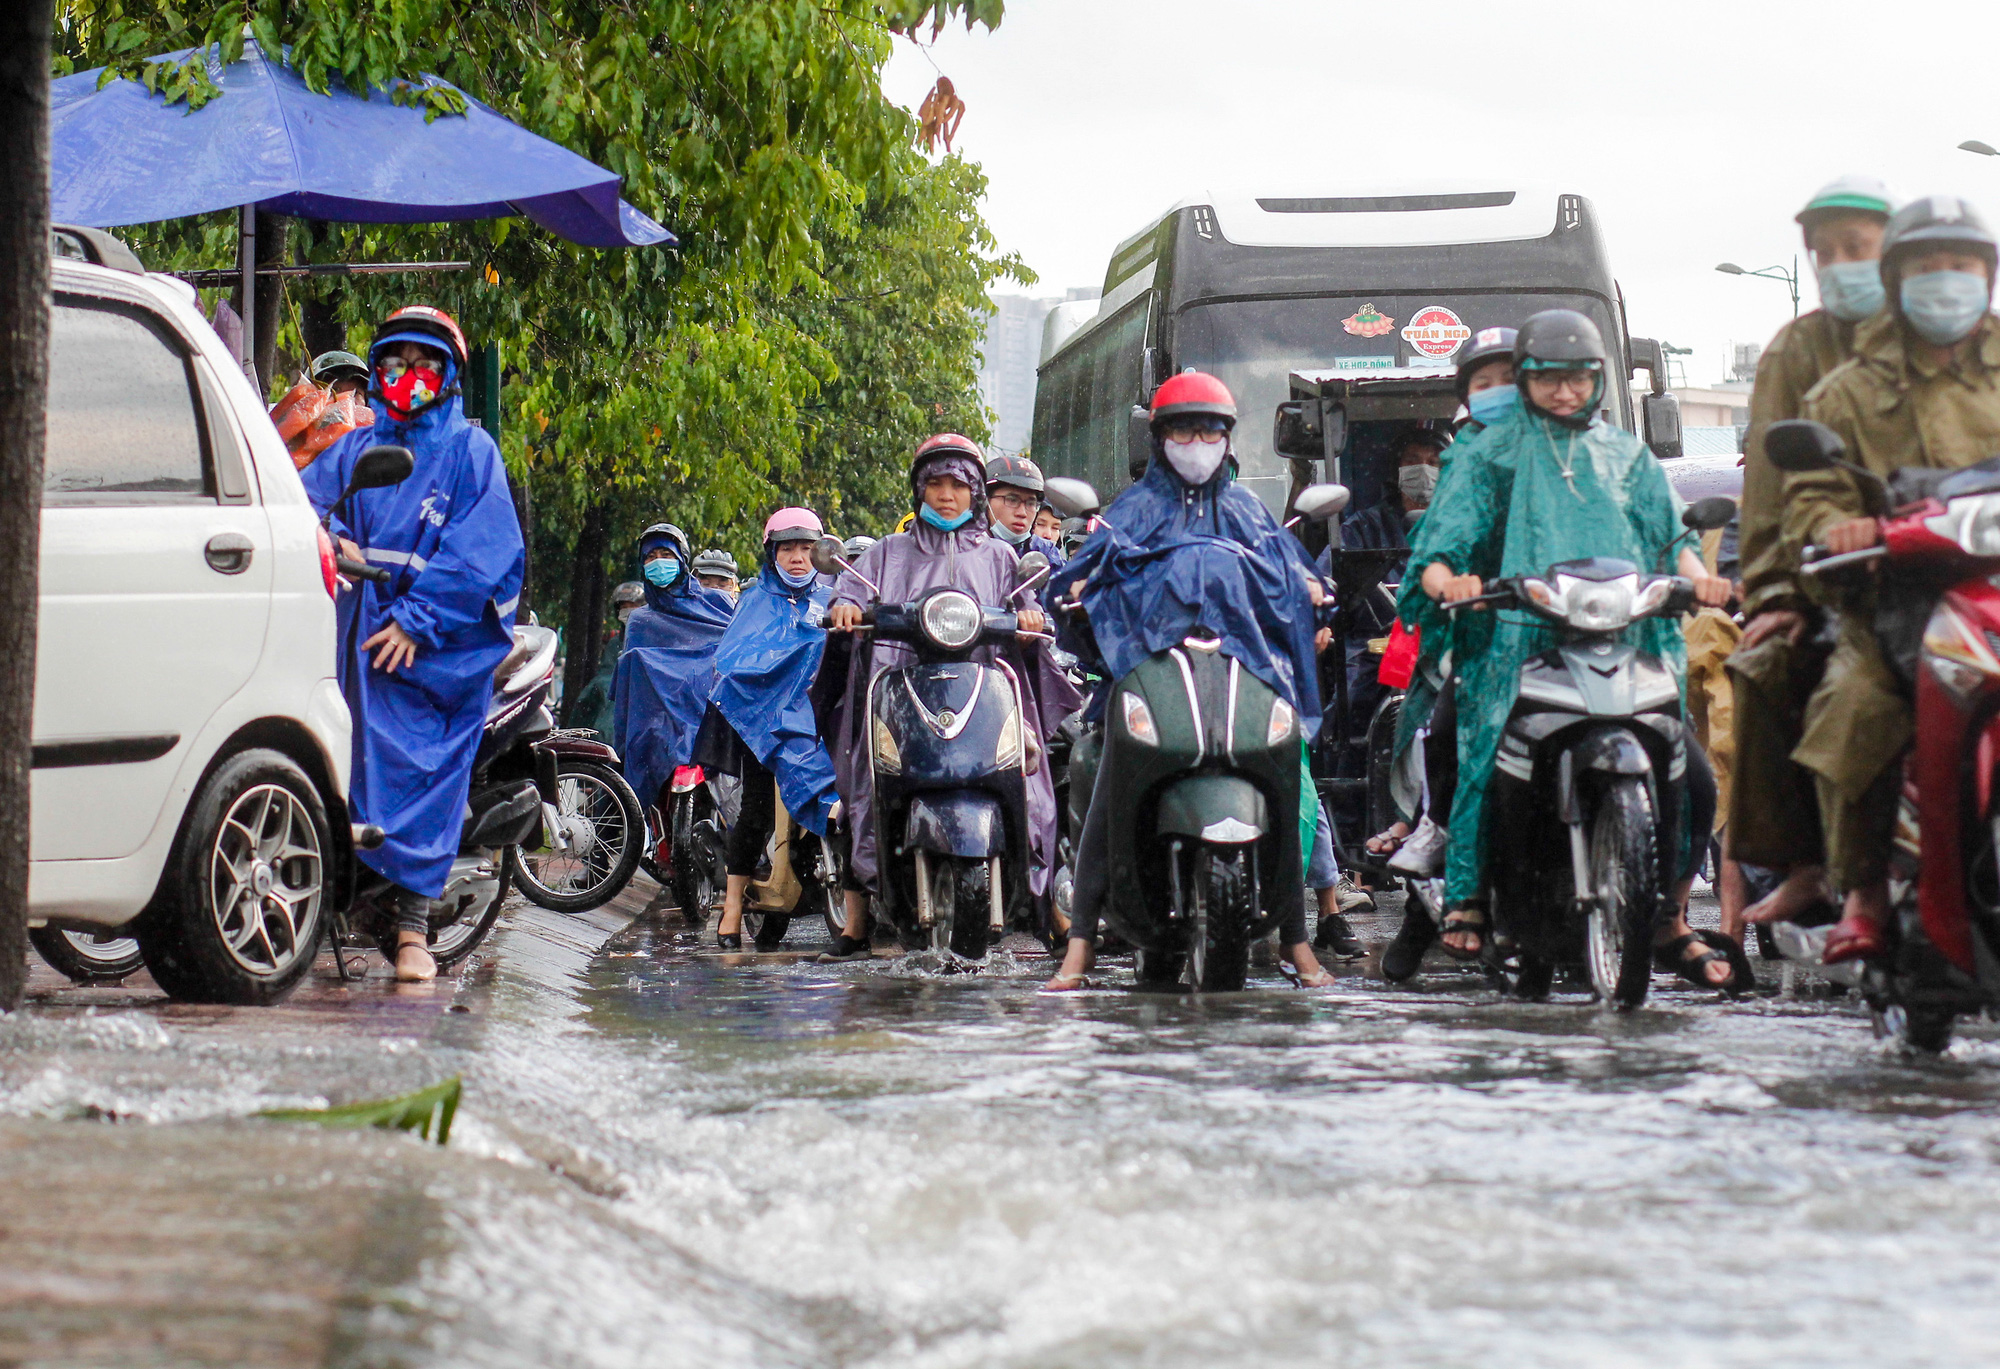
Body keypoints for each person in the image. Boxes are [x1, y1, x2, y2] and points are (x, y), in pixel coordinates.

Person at [1406, 310, 1735, 986]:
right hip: (1515, 643)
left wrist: (1701, 580)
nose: (1563, 393)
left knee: (1694, 775)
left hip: (1625, 634)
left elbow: (1671, 535)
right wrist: (1451, 580)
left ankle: (1668, 916)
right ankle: (1473, 892)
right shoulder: (1490, 451)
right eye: (1549, 379)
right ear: (1529, 380)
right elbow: (1441, 550)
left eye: (1577, 379)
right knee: (1481, 756)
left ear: (1599, 380)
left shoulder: (1627, 454)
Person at [1042, 372, 1338, 990]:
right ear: (1160, 438)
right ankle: (1081, 942)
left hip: (1242, 669)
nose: (1196, 442)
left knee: (1287, 774)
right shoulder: (1134, 510)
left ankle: (1298, 937)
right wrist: (1074, 592)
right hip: (1152, 671)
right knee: (1107, 776)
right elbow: (1078, 574)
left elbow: (1296, 572)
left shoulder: (1247, 512)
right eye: (1184, 429)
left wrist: (1314, 593)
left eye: (1209, 430)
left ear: (1227, 440)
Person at [1778, 194, 2000, 964]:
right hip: (1895, 605)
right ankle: (1865, 890)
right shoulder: (1843, 391)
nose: (1947, 283)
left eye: (1962, 266)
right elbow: (1808, 494)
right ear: (1898, 279)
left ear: (1988, 275)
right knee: (1852, 706)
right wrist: (1837, 526)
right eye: (1928, 267)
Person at [302, 305, 525, 982]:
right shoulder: (354, 445)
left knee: (429, 776)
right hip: (357, 638)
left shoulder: (471, 452)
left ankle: (412, 929)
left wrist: (417, 620)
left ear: (450, 375)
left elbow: (484, 551)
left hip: (435, 653)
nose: (409, 376)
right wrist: (325, 534)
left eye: (425, 365)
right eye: (396, 363)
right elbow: (303, 499)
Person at [818, 435, 1082, 961]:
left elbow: (1027, 604)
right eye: (934, 484)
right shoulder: (885, 553)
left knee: (1036, 776)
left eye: (957, 485)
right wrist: (846, 606)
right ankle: (855, 921)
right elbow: (850, 590)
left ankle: (1054, 907)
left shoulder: (1001, 556)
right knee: (867, 780)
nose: (945, 496)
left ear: (974, 493)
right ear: (918, 489)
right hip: (901, 689)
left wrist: (1032, 619)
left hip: (984, 693)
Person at [1729, 176, 1897, 939]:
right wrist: (1776, 593)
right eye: (1823, 254)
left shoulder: (1954, 344)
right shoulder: (1799, 350)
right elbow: (1771, 490)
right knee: (1765, 666)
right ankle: (1807, 861)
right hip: (1840, 575)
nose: (1838, 265)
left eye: (1855, 249)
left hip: (1962, 559)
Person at [1371, 327, 1515, 980]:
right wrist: (1450, 581)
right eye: (1484, 383)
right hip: (1478, 635)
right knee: (1451, 737)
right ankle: (1430, 870)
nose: (1501, 395)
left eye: (1511, 379)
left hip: (1564, 631)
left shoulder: (1574, 454)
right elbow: (1438, 549)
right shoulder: (1465, 465)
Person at [702, 510, 840, 949]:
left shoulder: (836, 598)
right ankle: (733, 908)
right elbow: (736, 663)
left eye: (806, 548)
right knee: (757, 812)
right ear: (772, 553)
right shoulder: (755, 599)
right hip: (765, 721)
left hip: (822, 720)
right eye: (788, 549)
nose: (798, 559)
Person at [612, 525, 735, 886]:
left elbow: (733, 652)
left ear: (681, 559)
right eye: (650, 557)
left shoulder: (714, 604)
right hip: (659, 722)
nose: (658, 563)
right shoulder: (641, 620)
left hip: (708, 714)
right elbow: (631, 674)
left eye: (665, 555)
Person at [985, 454, 1067, 566]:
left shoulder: (1044, 553)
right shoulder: (960, 548)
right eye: (1012, 500)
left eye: (1031, 503)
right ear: (985, 502)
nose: (1022, 513)